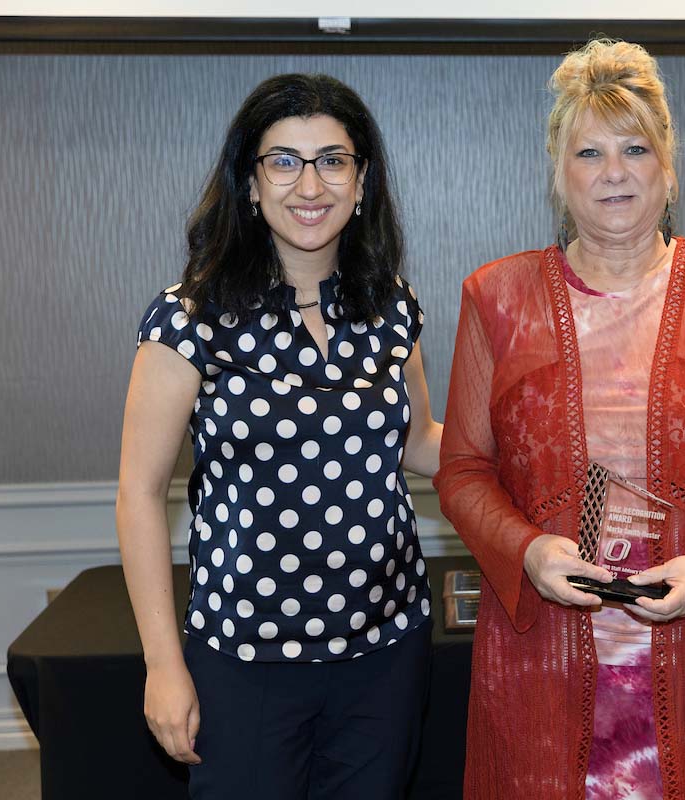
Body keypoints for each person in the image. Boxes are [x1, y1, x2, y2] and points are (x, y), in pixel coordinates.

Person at [434, 38, 685, 799]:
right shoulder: (496, 297)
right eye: (589, 153)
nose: (615, 173)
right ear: (559, 173)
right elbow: (461, 471)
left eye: (635, 148)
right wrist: (527, 552)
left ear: (669, 165)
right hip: (541, 666)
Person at [116, 73, 442, 800]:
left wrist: (541, 453)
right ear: (251, 184)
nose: (310, 184)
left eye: (333, 159)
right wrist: (164, 665)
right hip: (244, 658)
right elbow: (138, 496)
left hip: (386, 650)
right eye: (284, 161)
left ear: (362, 183)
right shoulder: (187, 318)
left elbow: (420, 442)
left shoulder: (394, 306)